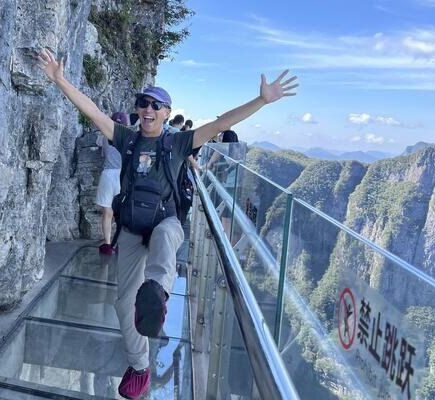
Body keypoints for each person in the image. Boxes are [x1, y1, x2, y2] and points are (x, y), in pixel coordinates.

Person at [38, 48, 297, 399]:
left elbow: (221, 124)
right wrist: (60, 79)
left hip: (167, 221)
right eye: (143, 103)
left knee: (164, 239)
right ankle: (140, 365)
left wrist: (262, 100)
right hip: (130, 228)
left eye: (155, 105)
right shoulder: (127, 138)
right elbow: (92, 111)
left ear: (166, 113)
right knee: (122, 304)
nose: (147, 109)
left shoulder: (177, 143)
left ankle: (158, 290)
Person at [96, 111, 128, 255]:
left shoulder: (104, 136)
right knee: (121, 214)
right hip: (122, 176)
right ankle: (120, 244)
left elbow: (102, 152)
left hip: (108, 174)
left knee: (107, 212)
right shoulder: (128, 139)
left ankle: (108, 245)